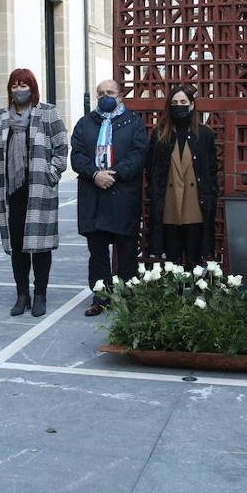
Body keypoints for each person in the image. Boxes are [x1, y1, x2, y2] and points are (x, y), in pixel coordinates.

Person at [0, 71, 67, 317]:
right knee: (18, 246)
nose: (19, 89)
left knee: (41, 247)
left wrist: (52, 174)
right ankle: (22, 294)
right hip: (12, 192)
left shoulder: (47, 112)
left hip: (40, 190)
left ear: (32, 87)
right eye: (15, 85)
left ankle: (40, 293)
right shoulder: (0, 117)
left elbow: (62, 146)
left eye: (24, 84)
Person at [71, 78, 148, 317]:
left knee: (126, 252)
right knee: (98, 254)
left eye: (110, 92)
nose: (106, 96)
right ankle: (101, 298)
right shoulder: (85, 123)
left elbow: (138, 154)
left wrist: (112, 175)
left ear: (120, 95)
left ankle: (128, 297)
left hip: (122, 195)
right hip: (93, 196)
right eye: (101, 92)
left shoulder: (134, 123)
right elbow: (77, 155)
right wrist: (95, 174)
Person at [146, 84, 218, 270]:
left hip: (195, 203)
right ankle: (175, 298)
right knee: (172, 261)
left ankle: (194, 296)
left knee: (194, 260)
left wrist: (210, 197)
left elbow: (211, 170)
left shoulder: (205, 134)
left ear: (192, 105)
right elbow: (152, 169)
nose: (179, 106)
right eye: (175, 102)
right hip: (169, 204)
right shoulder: (159, 134)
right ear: (169, 106)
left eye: (183, 102)